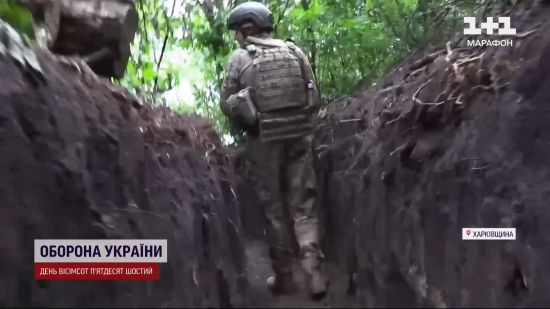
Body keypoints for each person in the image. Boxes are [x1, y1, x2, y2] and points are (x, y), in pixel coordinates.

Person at [219, 1, 327, 300]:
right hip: (299, 136)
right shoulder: (295, 52)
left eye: (237, 31)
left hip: (263, 141)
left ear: (247, 28)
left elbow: (227, 105)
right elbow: (313, 96)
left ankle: (285, 277)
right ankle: (313, 270)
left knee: (273, 210)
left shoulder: (240, 59)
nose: (236, 37)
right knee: (303, 204)